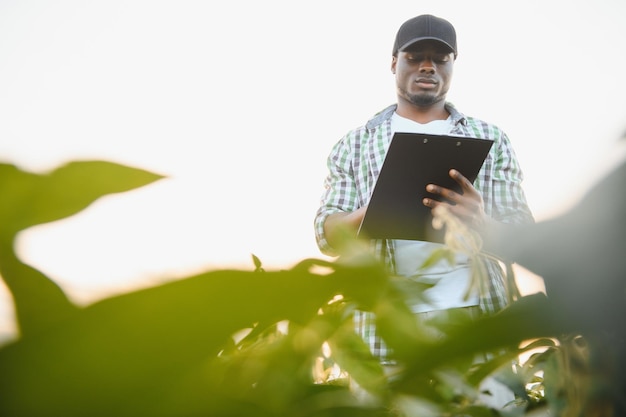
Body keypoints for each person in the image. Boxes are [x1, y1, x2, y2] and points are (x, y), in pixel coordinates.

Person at [314, 13, 534, 386]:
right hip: (385, 325)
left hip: (474, 320)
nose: (428, 66)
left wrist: (480, 220)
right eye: (415, 57)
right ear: (394, 62)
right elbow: (326, 235)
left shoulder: (491, 137)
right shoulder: (353, 144)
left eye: (440, 58)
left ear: (452, 65)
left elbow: (523, 237)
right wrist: (372, 212)